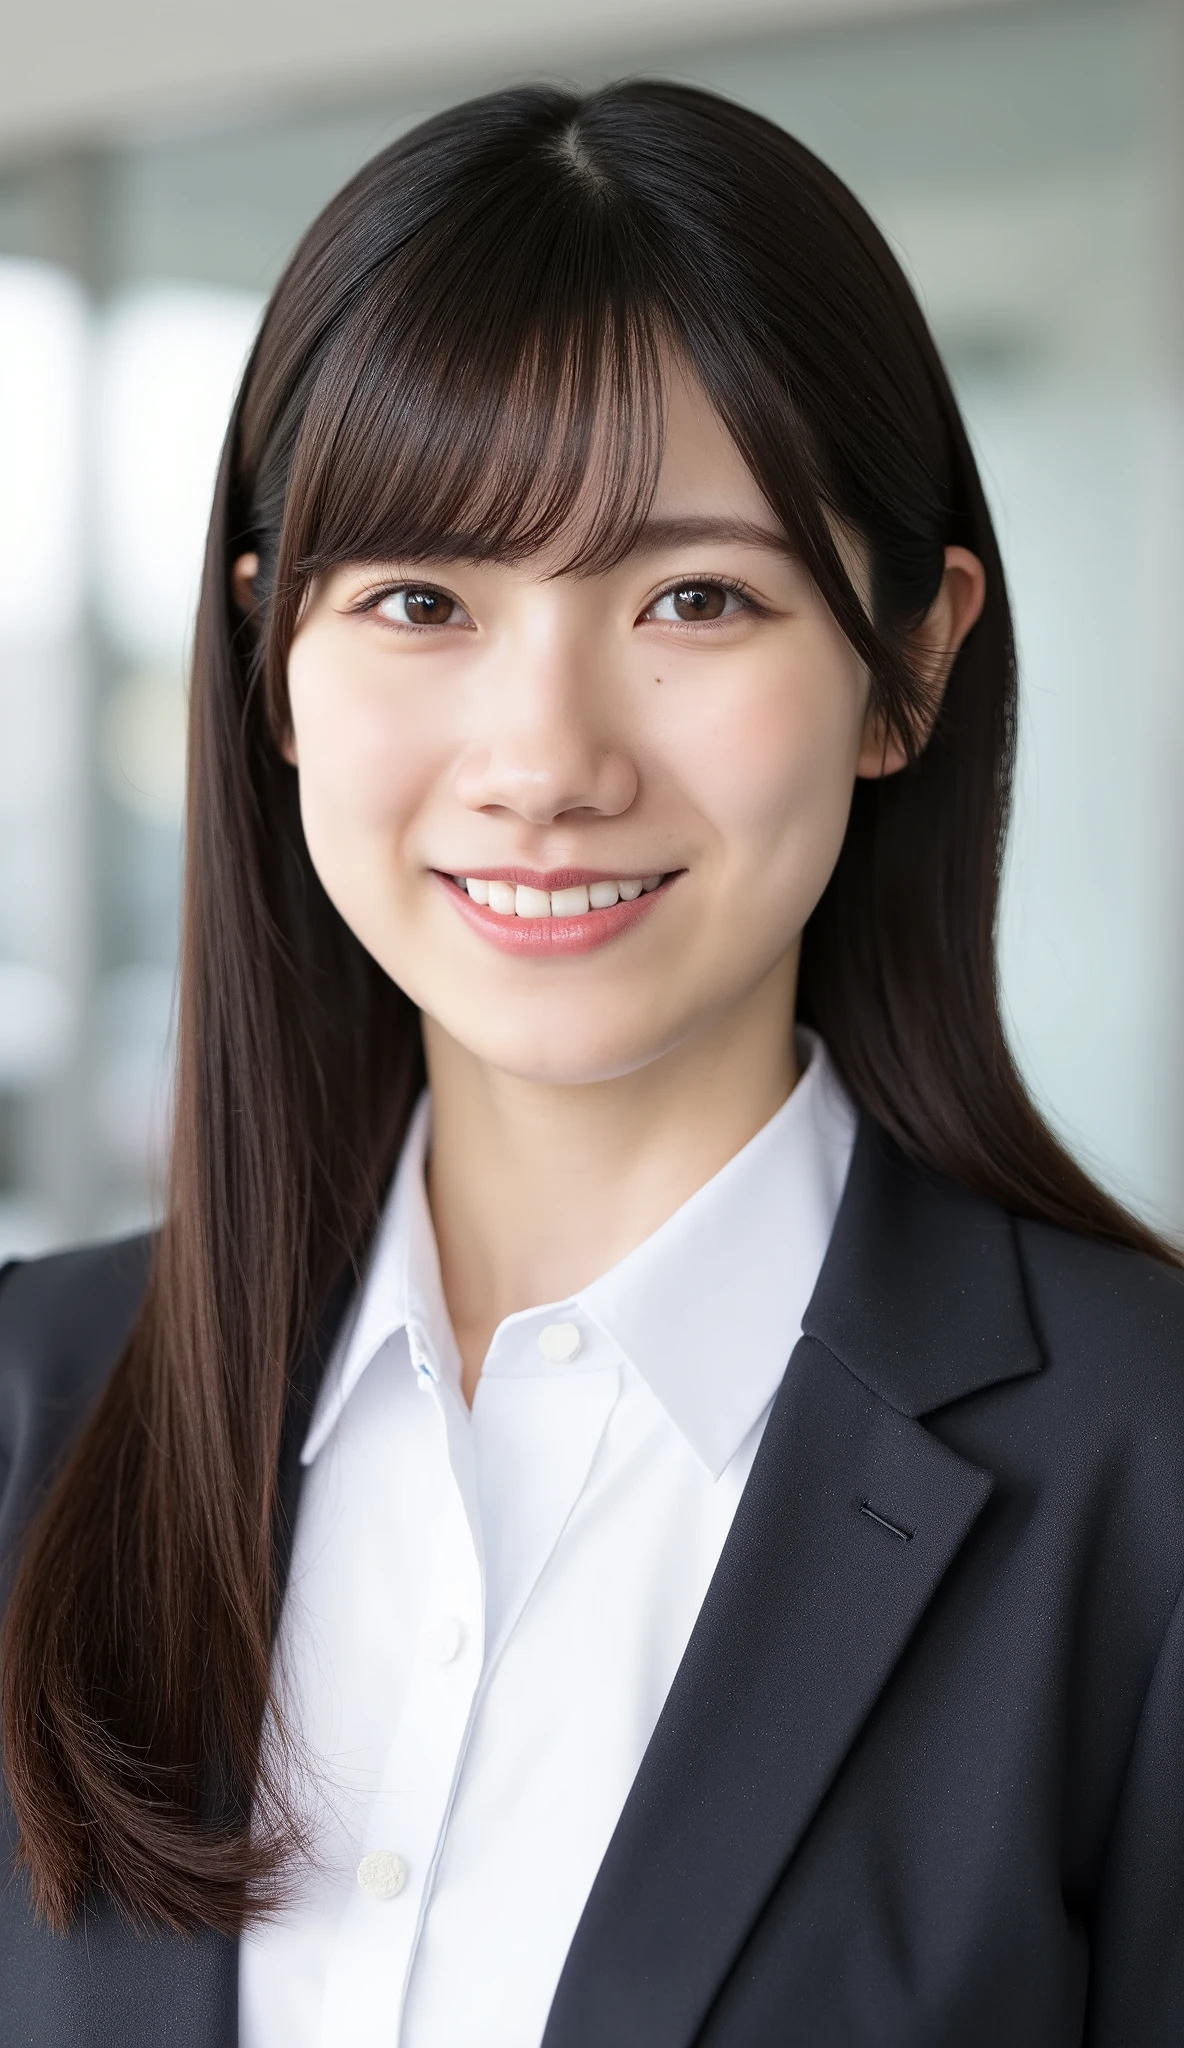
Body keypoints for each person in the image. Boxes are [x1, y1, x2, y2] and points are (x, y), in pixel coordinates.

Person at [2, 78, 1182, 2048]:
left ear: (907, 660)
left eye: (692, 598)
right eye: (418, 601)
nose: (546, 760)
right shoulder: (30, 1422)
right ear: (269, 664)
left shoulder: (1137, 1487)